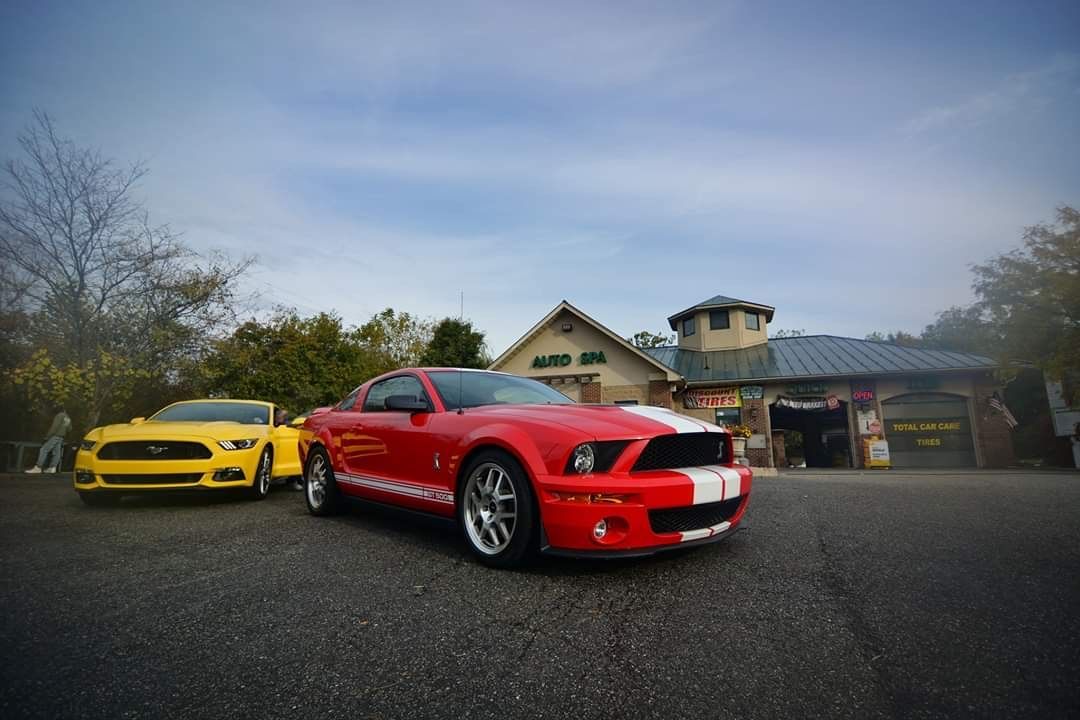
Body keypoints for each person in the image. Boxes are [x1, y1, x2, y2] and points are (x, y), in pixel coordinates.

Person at [26, 405, 71, 474]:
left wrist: (47, 437)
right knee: (56, 452)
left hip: (55, 435)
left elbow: (54, 427)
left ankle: (38, 467)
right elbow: (69, 429)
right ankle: (52, 468)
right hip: (61, 437)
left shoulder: (59, 415)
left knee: (44, 449)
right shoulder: (68, 418)